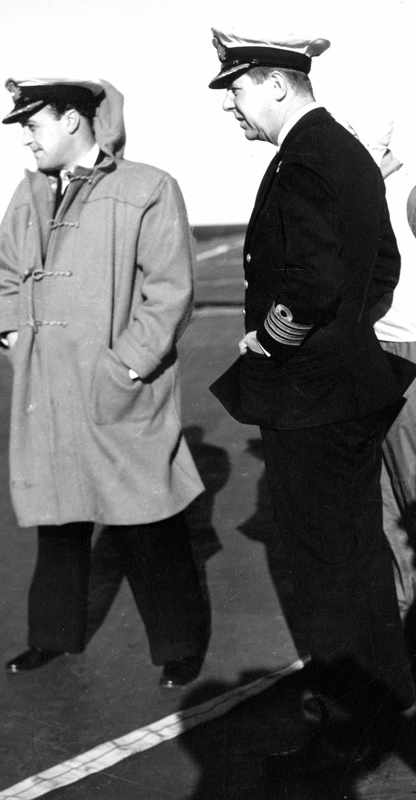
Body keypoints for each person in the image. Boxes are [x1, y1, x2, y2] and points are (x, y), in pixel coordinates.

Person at [207, 28, 416, 764]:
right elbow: (382, 265)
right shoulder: (347, 154)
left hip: (309, 398)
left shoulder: (304, 160)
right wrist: (348, 338)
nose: (230, 106)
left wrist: (273, 338)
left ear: (274, 83)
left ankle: (347, 723)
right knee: (357, 553)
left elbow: (311, 282)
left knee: (325, 566)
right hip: (350, 386)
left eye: (235, 89)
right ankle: (386, 701)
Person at [0, 77, 208, 688]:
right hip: (47, 384)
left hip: (119, 387)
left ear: (72, 121)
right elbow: (7, 269)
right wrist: (11, 334)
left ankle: (180, 644)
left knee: (147, 522)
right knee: (58, 521)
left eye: (33, 125)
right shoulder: (28, 190)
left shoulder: (149, 187)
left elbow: (170, 291)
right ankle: (52, 638)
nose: (26, 139)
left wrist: (128, 367)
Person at [367, 117, 416, 622]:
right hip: (377, 353)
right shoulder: (368, 191)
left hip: (407, 350)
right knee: (386, 506)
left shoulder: (404, 192)